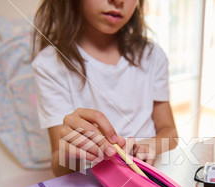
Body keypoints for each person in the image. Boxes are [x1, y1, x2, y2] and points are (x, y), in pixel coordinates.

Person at [31, 0, 178, 176]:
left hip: (151, 176)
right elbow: (60, 168)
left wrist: (151, 145)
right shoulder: (49, 65)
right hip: (94, 183)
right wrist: (70, 151)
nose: (118, 1)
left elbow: (170, 131)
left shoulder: (153, 55)